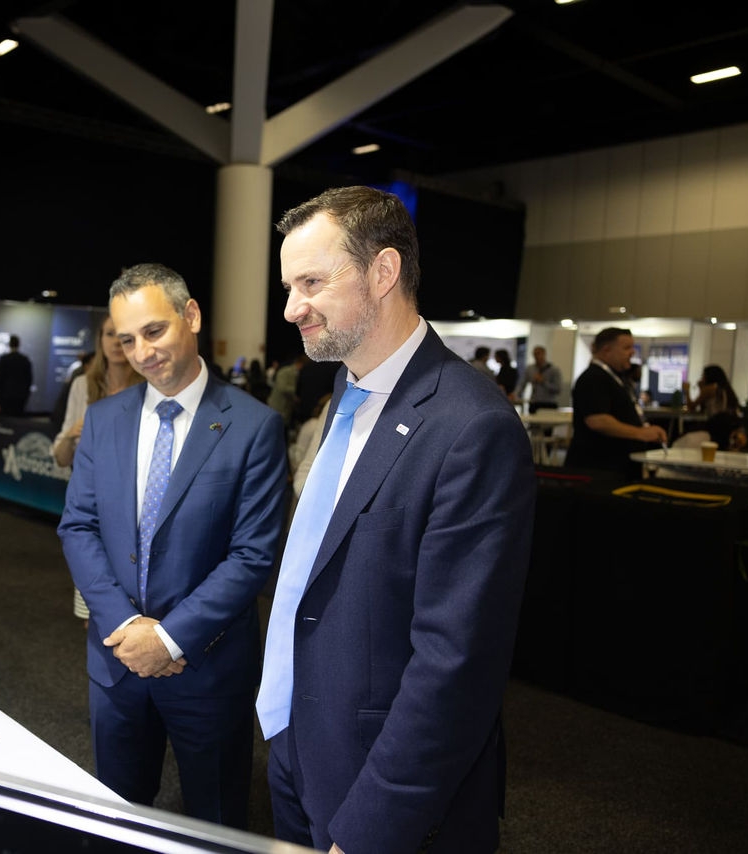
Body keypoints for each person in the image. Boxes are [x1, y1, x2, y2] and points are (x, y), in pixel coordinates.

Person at [260, 185, 535, 853]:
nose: (292, 307)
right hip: (299, 747)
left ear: (382, 272)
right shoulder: (348, 392)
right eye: (289, 285)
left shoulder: (472, 428)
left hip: (382, 795)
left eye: (312, 282)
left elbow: (455, 667)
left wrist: (368, 832)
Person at [57, 262, 287, 829]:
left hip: (206, 666)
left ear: (191, 316)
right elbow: (78, 527)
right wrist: (126, 629)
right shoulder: (104, 419)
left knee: (214, 818)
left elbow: (252, 555)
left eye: (154, 331)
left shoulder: (253, 426)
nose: (142, 352)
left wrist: (169, 637)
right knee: (118, 812)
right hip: (116, 662)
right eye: (126, 339)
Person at [52, 312, 146, 624]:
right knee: (95, 612)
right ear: (99, 341)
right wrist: (75, 432)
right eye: (110, 334)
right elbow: (61, 456)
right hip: (92, 513)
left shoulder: (149, 387)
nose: (118, 343)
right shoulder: (82, 386)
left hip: (136, 513)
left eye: (125, 336)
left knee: (140, 606)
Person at [564, 327, 668, 479]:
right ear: (607, 350)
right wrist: (640, 433)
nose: (632, 352)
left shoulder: (614, 377)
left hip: (615, 468)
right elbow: (598, 420)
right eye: (626, 348)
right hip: (598, 469)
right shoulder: (594, 378)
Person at [0, 333, 33, 415]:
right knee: (18, 423)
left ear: (9, 344)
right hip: (20, 399)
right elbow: (29, 379)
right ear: (19, 344)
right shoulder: (24, 360)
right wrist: (25, 395)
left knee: (6, 423)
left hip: (6, 398)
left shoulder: (4, 359)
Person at [516, 345, 562, 412]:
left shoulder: (553, 369)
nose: (536, 356)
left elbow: (558, 389)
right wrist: (516, 395)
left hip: (549, 403)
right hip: (534, 402)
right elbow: (522, 384)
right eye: (534, 354)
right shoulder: (530, 369)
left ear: (544, 354)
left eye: (538, 354)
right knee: (533, 422)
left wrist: (543, 382)